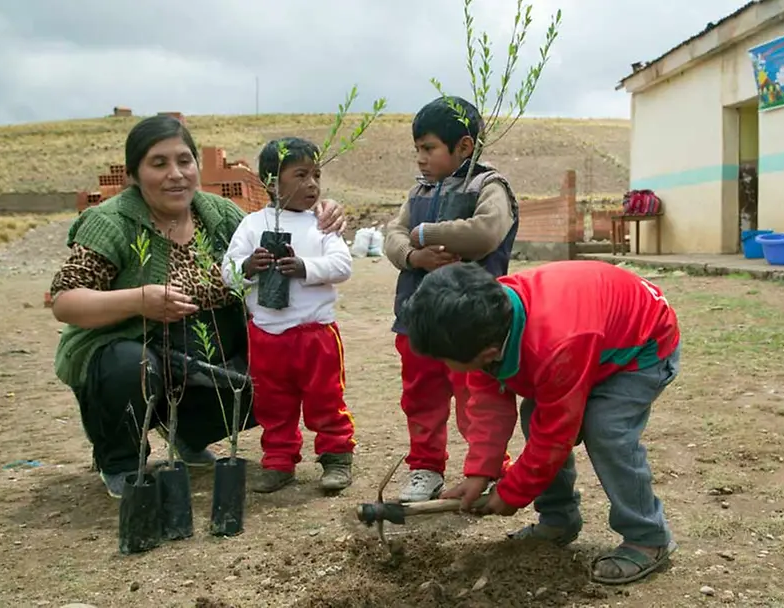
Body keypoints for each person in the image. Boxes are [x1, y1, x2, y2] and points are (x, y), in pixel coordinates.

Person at [49, 115, 347, 499]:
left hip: (195, 357)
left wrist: (324, 211)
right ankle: (120, 459)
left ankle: (190, 435)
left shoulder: (220, 215)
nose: (176, 174)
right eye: (159, 164)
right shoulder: (111, 223)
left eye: (184, 161)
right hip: (130, 355)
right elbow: (65, 301)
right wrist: (140, 301)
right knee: (131, 365)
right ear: (134, 175)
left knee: (273, 369)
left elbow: (283, 228)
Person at [401, 260, 682, 586]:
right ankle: (559, 520)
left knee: (606, 431)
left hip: (639, 347)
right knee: (535, 416)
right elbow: (489, 407)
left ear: (490, 352)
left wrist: (512, 493)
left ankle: (648, 537)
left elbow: (556, 435)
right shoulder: (481, 320)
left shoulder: (554, 342)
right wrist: (481, 472)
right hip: (585, 341)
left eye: (445, 361)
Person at [383, 95, 519, 502]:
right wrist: (413, 256)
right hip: (416, 319)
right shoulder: (418, 191)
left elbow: (485, 233)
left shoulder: (490, 186)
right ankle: (425, 469)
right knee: (420, 397)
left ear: (463, 146)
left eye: (429, 149)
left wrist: (424, 233)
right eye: (417, 150)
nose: (421, 159)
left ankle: (490, 467)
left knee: (478, 399)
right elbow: (393, 235)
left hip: (469, 323)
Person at [222, 137, 356, 494]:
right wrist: (248, 266)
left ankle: (337, 458)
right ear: (270, 183)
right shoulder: (251, 226)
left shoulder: (322, 224)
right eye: (300, 175)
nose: (312, 184)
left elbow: (342, 266)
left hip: (316, 335)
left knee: (326, 399)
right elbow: (227, 273)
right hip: (266, 336)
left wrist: (305, 268)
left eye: (316, 175)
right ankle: (279, 463)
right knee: (273, 405)